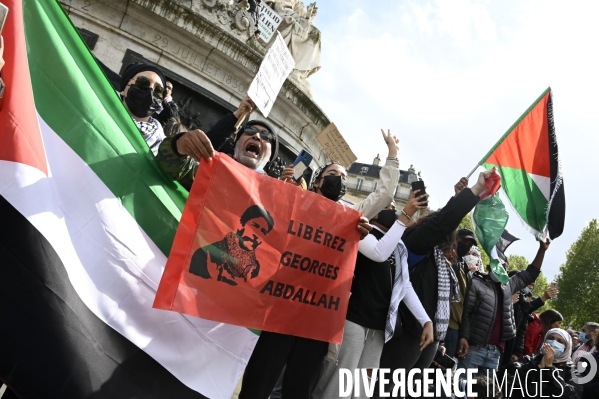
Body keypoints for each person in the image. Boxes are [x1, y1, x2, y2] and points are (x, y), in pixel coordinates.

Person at [240, 132, 400, 399]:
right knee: (259, 381)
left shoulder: (348, 218)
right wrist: (279, 191)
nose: (341, 180)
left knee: (299, 388)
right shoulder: (295, 203)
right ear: (317, 182)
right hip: (282, 307)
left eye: (345, 178)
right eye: (335, 174)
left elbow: (383, 195)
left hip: (317, 318)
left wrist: (392, 154)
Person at [373, 171, 497, 397]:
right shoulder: (417, 246)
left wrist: (458, 199)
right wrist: (473, 192)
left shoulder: (442, 264)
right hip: (408, 335)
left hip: (429, 338)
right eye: (453, 240)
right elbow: (441, 224)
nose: (455, 249)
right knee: (385, 391)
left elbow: (443, 223)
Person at [313, 196, 433, 398]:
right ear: (375, 211)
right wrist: (405, 216)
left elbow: (404, 285)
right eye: (388, 207)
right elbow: (379, 253)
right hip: (353, 319)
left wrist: (426, 320)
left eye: (395, 207)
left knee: (363, 385)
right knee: (338, 379)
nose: (393, 210)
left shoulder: (399, 246)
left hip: (379, 327)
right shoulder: (361, 233)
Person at [457, 240, 549, 377]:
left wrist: (542, 250)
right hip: (473, 348)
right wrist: (464, 337)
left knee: (486, 392)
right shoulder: (477, 283)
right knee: (463, 389)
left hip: (495, 353)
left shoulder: (509, 286)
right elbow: (466, 312)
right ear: (489, 267)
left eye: (503, 265)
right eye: (496, 264)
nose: (499, 268)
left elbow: (531, 273)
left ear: (506, 270)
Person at [189, 204, 274, 285]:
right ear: (242, 224)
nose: (257, 235)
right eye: (255, 226)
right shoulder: (205, 254)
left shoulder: (255, 268)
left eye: (263, 232)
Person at [506, 328, 578, 399]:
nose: (553, 343)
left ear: (566, 347)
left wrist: (550, 369)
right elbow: (508, 373)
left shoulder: (571, 370)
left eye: (560, 341)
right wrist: (537, 367)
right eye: (551, 338)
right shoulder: (529, 359)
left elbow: (572, 395)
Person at [446, 229, 480, 359]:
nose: (466, 246)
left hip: (454, 329)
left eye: (469, 245)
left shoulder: (466, 272)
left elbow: (466, 308)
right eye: (463, 241)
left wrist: (464, 335)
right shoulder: (445, 262)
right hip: (438, 325)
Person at [119, 62, 166, 155]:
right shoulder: (98, 114)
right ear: (124, 89)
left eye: (158, 90)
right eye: (142, 83)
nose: (150, 90)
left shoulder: (162, 148)